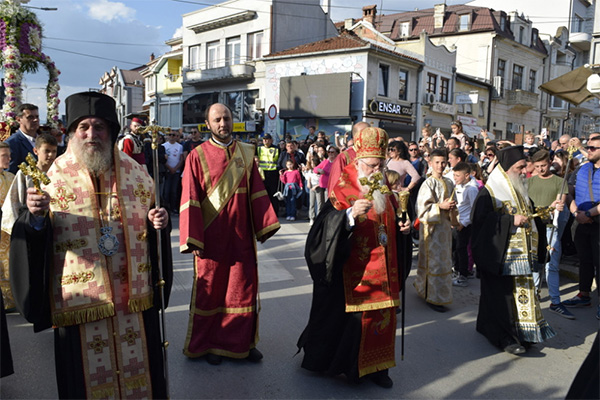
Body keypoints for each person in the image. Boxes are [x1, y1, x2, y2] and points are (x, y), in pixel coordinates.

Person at [10, 91, 172, 398]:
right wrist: (36, 218)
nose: (91, 134)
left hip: (133, 303)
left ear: (111, 131)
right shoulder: (51, 178)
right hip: (80, 303)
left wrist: (159, 223)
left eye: (99, 127)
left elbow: (154, 229)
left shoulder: (138, 176)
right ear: (72, 133)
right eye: (83, 127)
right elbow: (33, 238)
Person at [298, 127, 410, 388]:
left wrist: (404, 230)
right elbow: (321, 232)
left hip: (385, 273)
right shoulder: (343, 189)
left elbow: (392, 221)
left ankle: (378, 369)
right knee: (355, 325)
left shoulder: (384, 184)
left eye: (380, 165)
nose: (376, 170)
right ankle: (353, 369)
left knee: (383, 320)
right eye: (371, 165)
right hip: (354, 275)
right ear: (358, 162)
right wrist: (347, 217)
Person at [179, 103, 280, 365]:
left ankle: (241, 344)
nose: (222, 123)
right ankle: (210, 343)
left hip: (241, 235)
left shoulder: (247, 153)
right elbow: (190, 197)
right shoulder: (197, 155)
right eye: (217, 120)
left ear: (233, 120)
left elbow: (258, 191)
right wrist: (193, 237)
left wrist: (264, 224)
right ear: (208, 124)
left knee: (242, 289)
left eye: (226, 118)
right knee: (211, 290)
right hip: (210, 237)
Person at [471, 145, 555, 355]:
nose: (523, 172)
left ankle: (521, 333)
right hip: (500, 257)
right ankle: (503, 336)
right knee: (501, 297)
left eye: (523, 168)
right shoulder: (490, 192)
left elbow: (532, 215)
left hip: (521, 256)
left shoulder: (520, 189)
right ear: (508, 168)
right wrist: (509, 221)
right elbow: (480, 223)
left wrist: (548, 211)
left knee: (519, 296)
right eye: (519, 168)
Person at [527, 150, 571, 318]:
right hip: (534, 229)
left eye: (543, 165)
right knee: (535, 264)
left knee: (551, 265)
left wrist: (557, 206)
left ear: (550, 162)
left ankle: (555, 301)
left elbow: (561, 203)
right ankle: (534, 296)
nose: (540, 169)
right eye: (537, 166)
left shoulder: (559, 182)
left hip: (551, 228)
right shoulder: (529, 182)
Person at [414, 149, 457, 312]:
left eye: (443, 162)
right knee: (435, 263)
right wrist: (440, 206)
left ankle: (441, 294)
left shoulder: (449, 181)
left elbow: (453, 202)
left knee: (445, 261)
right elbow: (422, 209)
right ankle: (432, 296)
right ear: (430, 163)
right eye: (437, 162)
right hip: (432, 229)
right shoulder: (428, 183)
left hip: (445, 228)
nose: (440, 165)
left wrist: (452, 210)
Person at [564, 135, 600, 319]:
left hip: (597, 222)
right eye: (589, 147)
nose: (589, 150)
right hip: (580, 219)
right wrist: (576, 212)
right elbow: (568, 191)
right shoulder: (581, 168)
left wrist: (588, 214)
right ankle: (584, 294)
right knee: (585, 259)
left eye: (594, 148)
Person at [451, 162, 478, 287]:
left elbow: (474, 209)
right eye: (454, 175)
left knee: (462, 249)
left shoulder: (472, 189)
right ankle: (457, 270)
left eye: (457, 175)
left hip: (465, 224)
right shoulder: (460, 186)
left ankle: (463, 275)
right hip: (457, 221)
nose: (455, 178)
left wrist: (464, 223)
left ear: (467, 175)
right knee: (456, 248)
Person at [327, 121, 370, 193]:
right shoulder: (344, 157)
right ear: (355, 137)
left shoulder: (375, 154)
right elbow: (334, 186)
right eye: (366, 133)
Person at [0, 142, 15, 310]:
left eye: (9, 155)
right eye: (4, 155)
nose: (9, 159)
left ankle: (10, 300)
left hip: (9, 230)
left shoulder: (11, 177)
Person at [4, 103, 39, 174]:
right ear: (18, 119)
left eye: (37, 116)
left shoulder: (43, 139)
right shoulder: (12, 143)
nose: (35, 120)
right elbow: (10, 174)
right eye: (30, 117)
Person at [256, 133, 280, 211]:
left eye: (267, 139)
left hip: (273, 173)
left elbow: (279, 160)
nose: (265, 141)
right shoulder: (259, 148)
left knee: (273, 193)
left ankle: (275, 210)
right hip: (262, 173)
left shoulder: (276, 148)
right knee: (262, 193)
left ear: (271, 140)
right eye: (264, 139)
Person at [162, 129, 184, 214]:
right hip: (167, 171)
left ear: (177, 137)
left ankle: (174, 208)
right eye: (170, 135)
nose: (171, 136)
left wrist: (175, 168)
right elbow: (163, 160)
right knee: (166, 191)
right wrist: (170, 168)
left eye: (174, 135)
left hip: (176, 172)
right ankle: (166, 208)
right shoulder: (164, 146)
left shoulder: (180, 146)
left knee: (174, 191)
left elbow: (181, 159)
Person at [313, 145, 339, 212]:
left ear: (336, 153)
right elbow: (315, 169)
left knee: (328, 203)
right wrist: (319, 170)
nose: (330, 154)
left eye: (332, 152)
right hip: (322, 185)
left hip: (331, 186)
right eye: (329, 152)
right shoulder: (325, 162)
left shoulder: (338, 163)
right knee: (320, 204)